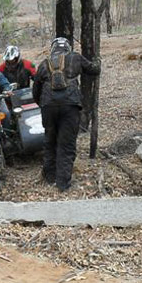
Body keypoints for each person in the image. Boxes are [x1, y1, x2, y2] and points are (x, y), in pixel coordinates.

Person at [32, 37, 100, 192]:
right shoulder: (75, 57)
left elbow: (35, 91)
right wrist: (98, 60)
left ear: (53, 49)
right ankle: (63, 184)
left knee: (50, 141)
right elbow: (94, 70)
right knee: (66, 144)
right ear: (68, 48)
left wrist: (43, 105)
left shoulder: (44, 63)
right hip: (70, 106)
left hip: (48, 106)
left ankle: (49, 178)